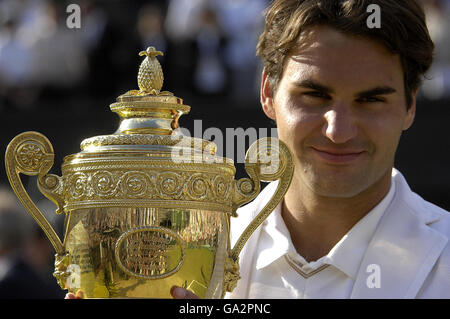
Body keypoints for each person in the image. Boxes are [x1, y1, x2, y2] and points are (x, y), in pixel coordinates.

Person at [69, 0, 450, 299]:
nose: (338, 131)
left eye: (370, 100)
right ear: (268, 92)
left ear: (411, 105)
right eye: (314, 95)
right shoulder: (180, 256)